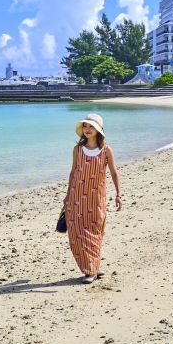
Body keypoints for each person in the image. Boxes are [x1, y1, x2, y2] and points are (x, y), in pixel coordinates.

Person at [63, 113, 122, 282]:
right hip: (76, 197)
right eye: (85, 126)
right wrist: (67, 196)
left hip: (96, 198)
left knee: (95, 233)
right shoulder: (77, 149)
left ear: (98, 130)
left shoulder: (106, 150)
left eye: (91, 127)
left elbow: (114, 173)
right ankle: (91, 269)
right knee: (76, 233)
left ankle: (92, 269)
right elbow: (73, 172)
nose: (87, 129)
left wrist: (119, 194)